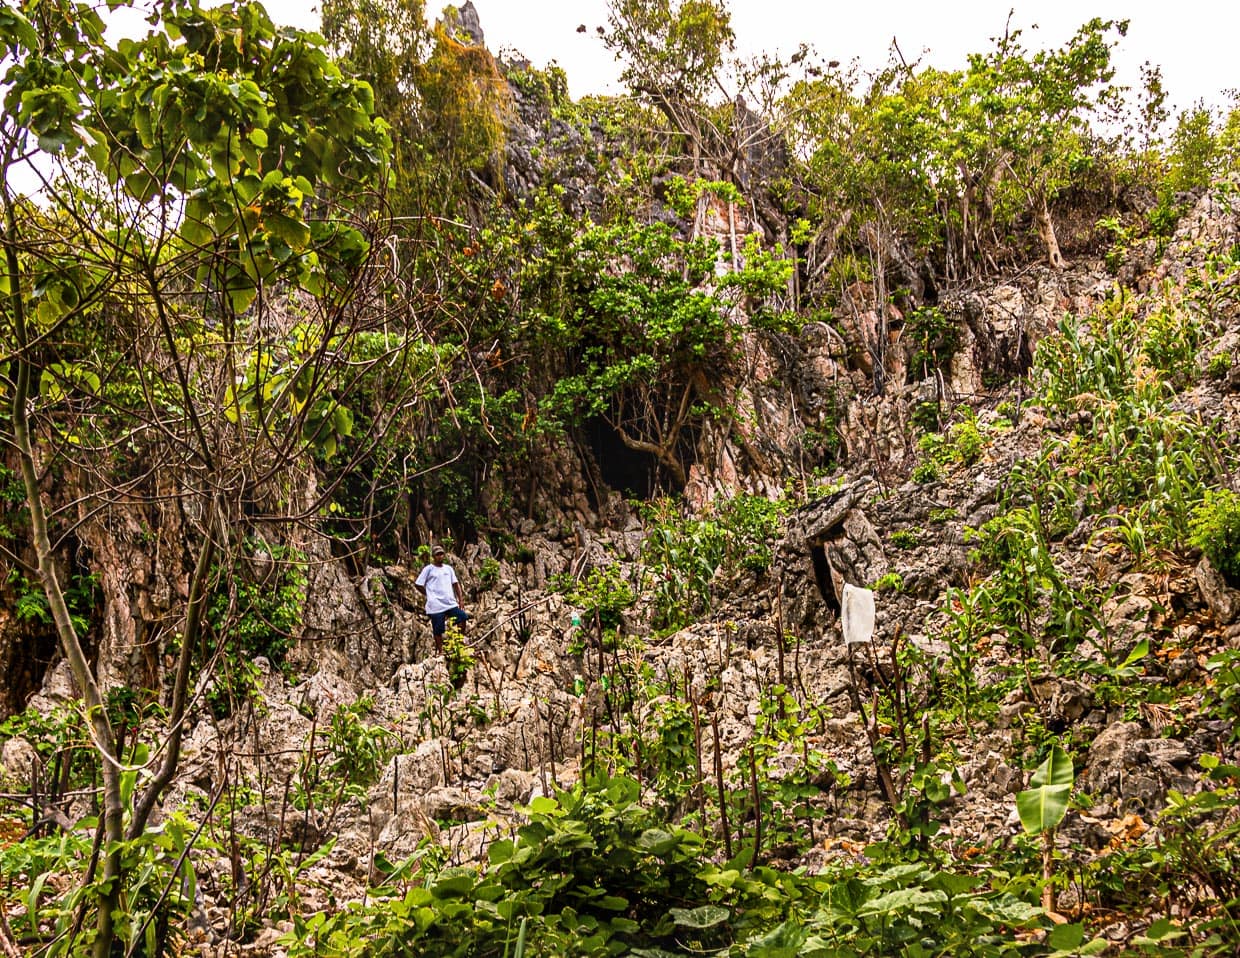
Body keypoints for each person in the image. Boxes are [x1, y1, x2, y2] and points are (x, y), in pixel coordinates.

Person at [415, 545, 469, 654]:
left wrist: (461, 599)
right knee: (438, 629)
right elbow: (418, 584)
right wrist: (428, 594)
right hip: (436, 605)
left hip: (450, 603)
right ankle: (441, 651)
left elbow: (456, 584)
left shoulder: (448, 569)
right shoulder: (428, 569)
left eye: (441, 554)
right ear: (433, 556)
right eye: (437, 554)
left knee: (462, 617)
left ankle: (459, 641)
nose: (440, 556)